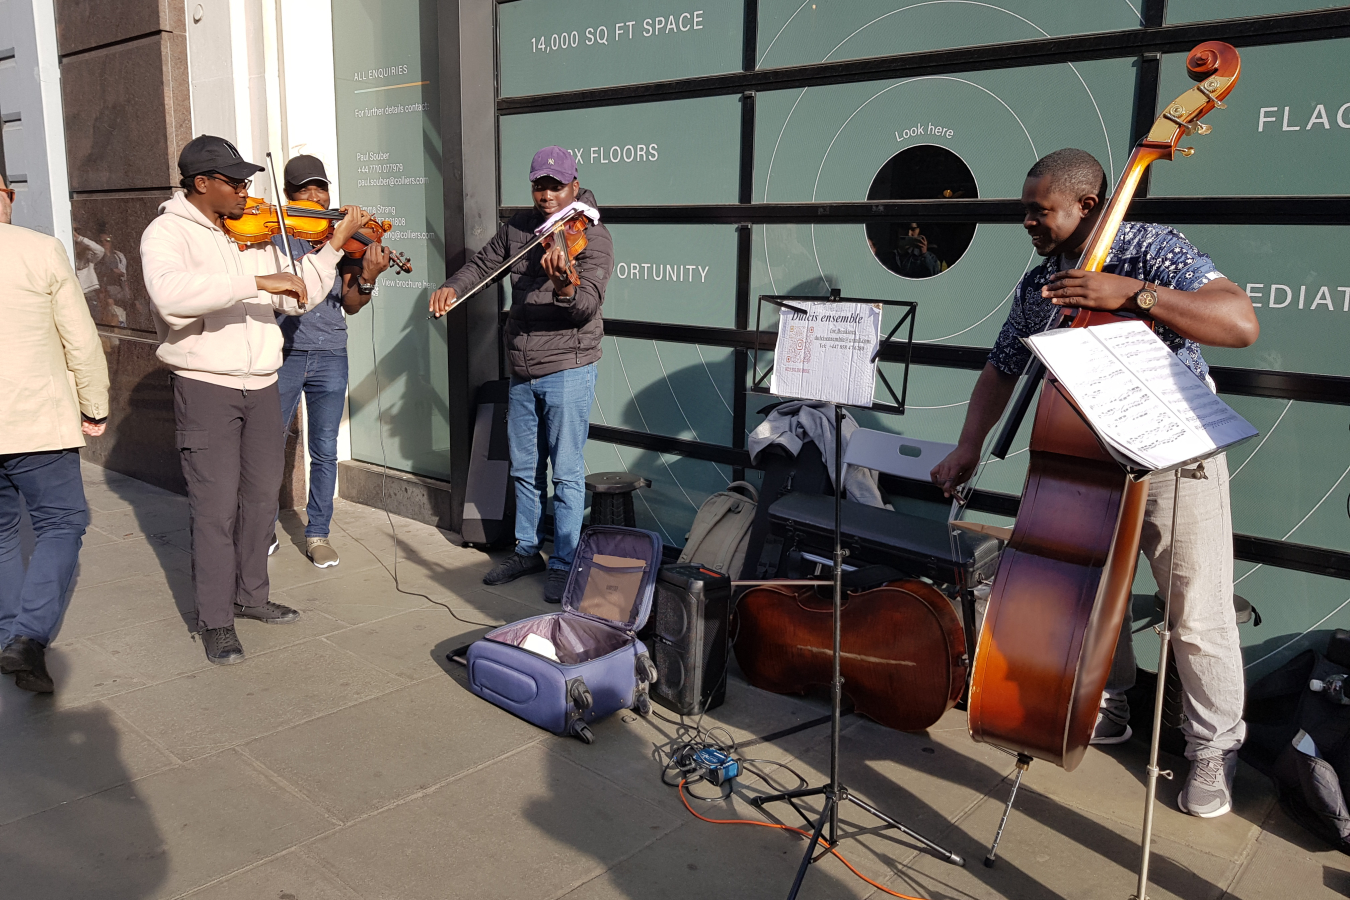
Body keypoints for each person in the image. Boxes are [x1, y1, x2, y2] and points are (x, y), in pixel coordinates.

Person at [930, 148, 1259, 819]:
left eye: (1037, 209)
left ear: (1085, 205)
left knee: (1196, 613)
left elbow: (1239, 322)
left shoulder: (1151, 248)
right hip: (1083, 458)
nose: (1026, 220)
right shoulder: (1040, 283)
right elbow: (1001, 367)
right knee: (1088, 587)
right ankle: (1108, 700)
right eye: (1024, 208)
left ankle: (1213, 750)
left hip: (1174, 458)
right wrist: (969, 445)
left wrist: (1134, 296)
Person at [140, 135, 367, 665]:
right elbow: (172, 298)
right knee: (215, 509)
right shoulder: (167, 232)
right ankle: (215, 619)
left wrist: (334, 248)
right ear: (202, 184)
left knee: (262, 498)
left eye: (247, 182)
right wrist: (252, 279)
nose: (247, 191)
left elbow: (301, 293)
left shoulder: (252, 234)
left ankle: (251, 597)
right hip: (207, 386)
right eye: (235, 182)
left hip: (263, 382)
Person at [429, 146, 612, 603]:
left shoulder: (592, 235)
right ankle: (528, 549)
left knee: (566, 473)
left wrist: (564, 284)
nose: (546, 194)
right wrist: (455, 287)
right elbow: (485, 265)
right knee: (525, 469)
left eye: (555, 186)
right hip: (522, 367)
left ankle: (566, 561)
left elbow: (586, 306)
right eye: (539, 185)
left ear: (574, 184)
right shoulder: (519, 228)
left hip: (568, 367)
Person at [0, 173, 110, 692]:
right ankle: (27, 638)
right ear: (9, 194)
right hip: (37, 423)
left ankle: (12, 641)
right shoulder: (41, 250)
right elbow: (80, 339)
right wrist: (94, 406)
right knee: (62, 524)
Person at [270, 154, 389, 568]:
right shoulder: (272, 237)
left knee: (324, 448)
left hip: (331, 353)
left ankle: (318, 532)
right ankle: (263, 527)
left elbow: (351, 304)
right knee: (268, 443)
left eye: (321, 187)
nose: (317, 196)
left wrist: (369, 278)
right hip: (283, 351)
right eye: (306, 189)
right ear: (288, 195)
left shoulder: (338, 238)